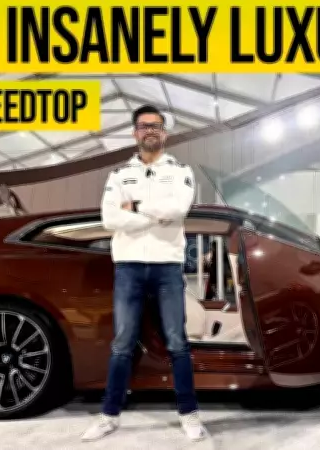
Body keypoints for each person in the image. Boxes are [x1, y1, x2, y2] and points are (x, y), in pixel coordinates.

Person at [81, 105, 208, 442]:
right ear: (135, 133)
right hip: (129, 267)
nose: (150, 130)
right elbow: (111, 218)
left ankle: (189, 414)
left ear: (164, 132)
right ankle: (109, 415)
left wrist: (135, 207)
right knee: (122, 343)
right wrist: (155, 216)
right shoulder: (119, 174)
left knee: (177, 342)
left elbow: (178, 209)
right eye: (143, 125)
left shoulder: (180, 171)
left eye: (156, 125)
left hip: (167, 266)